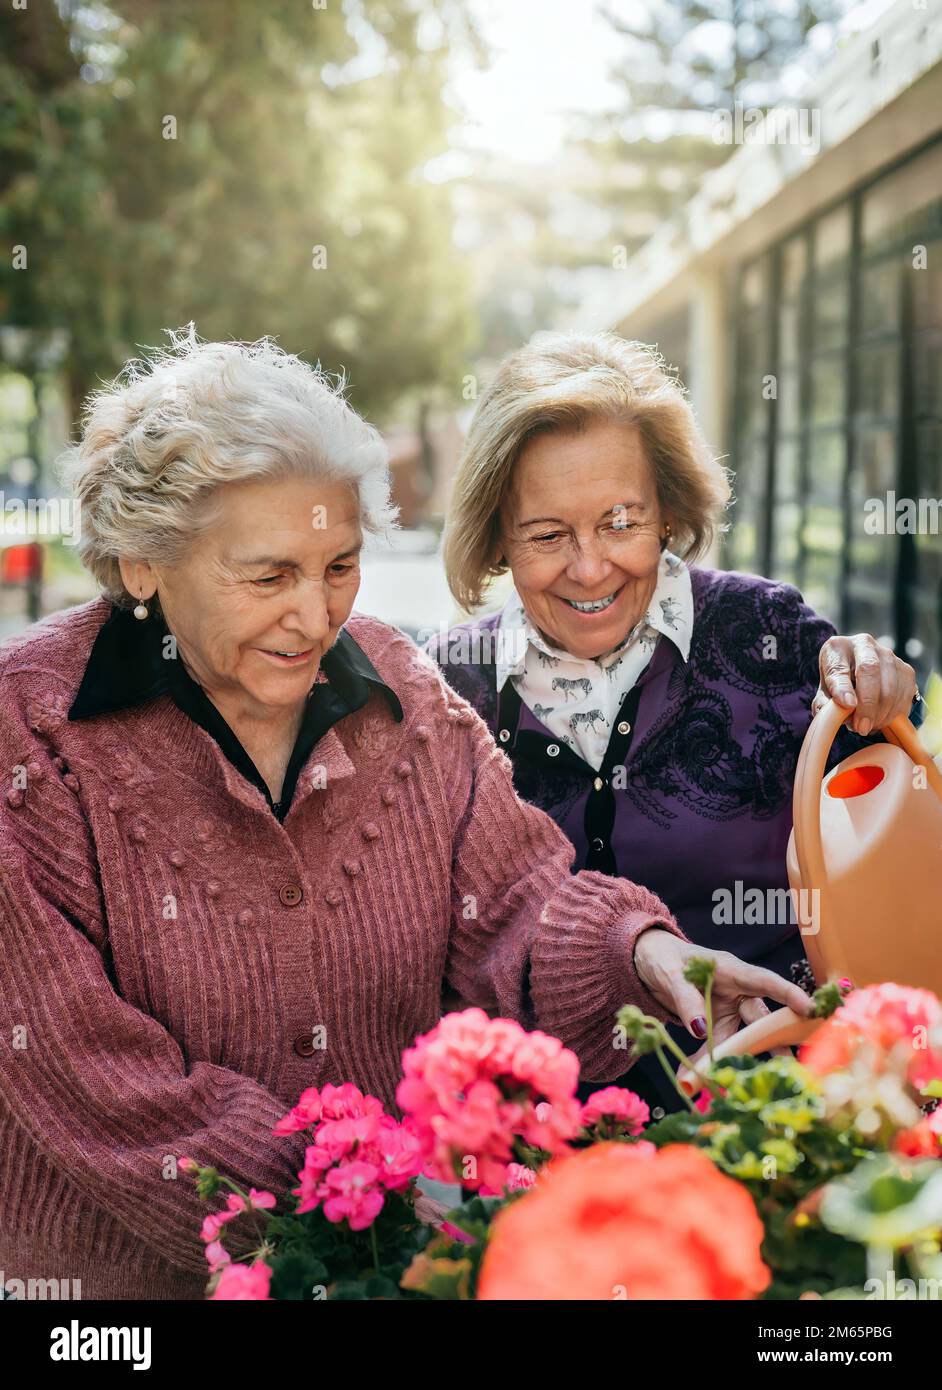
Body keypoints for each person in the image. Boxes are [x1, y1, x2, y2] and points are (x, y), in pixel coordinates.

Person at [0, 329, 809, 1300]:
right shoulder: (32, 732)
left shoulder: (400, 690)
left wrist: (643, 954)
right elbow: (80, 1067)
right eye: (269, 575)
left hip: (393, 1269)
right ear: (141, 565)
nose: (315, 616)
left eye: (339, 565)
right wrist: (356, 1208)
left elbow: (517, 903)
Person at [429, 331, 922, 1114]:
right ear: (497, 536)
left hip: (784, 1122)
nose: (589, 568)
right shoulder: (447, 692)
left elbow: (900, 822)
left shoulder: (766, 633)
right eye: (548, 535)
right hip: (539, 1158)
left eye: (621, 522)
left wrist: (889, 690)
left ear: (667, 510)